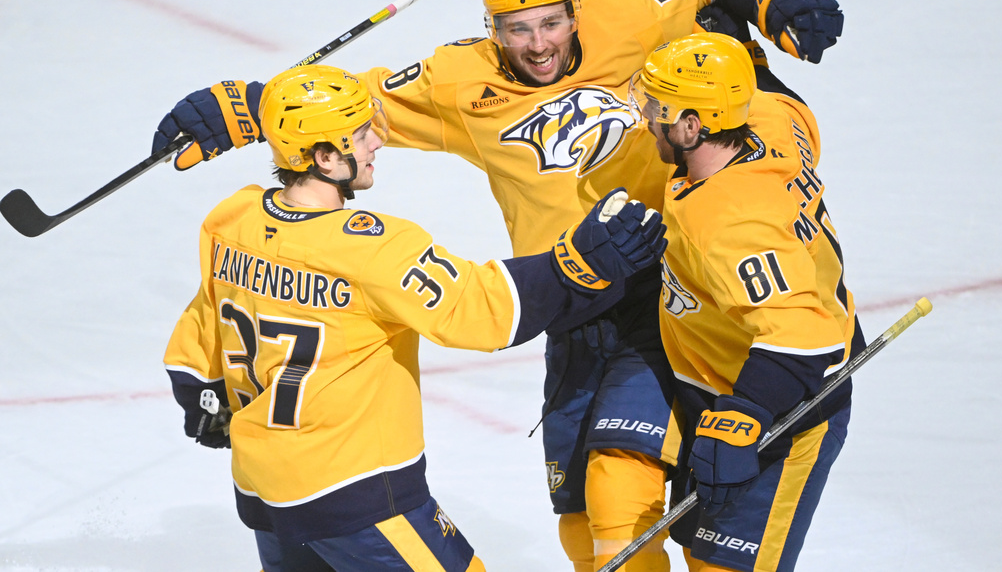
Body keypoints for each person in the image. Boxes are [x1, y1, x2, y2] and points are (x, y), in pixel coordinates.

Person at [152, 0, 844, 571]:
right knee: (581, 519)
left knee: (618, 488)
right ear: (493, 30)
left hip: (657, 291)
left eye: (551, 22)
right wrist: (248, 108)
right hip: (567, 302)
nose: (538, 44)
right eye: (517, 28)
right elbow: (358, 108)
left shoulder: (623, 13)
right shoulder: (462, 80)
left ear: (575, 12)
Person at [163, 64, 667, 572]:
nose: (376, 142)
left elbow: (205, 317)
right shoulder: (373, 246)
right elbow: (479, 311)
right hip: (353, 492)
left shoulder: (233, 218)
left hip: (263, 488)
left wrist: (199, 391)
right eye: (360, 135)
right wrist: (578, 263)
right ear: (323, 157)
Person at [626, 27, 864, 571]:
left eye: (657, 108)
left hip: (789, 411)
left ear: (692, 125)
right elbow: (784, 99)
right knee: (697, 548)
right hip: (713, 376)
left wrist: (746, 413)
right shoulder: (766, 125)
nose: (647, 119)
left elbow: (808, 337)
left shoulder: (733, 225)